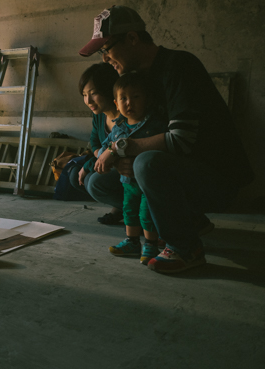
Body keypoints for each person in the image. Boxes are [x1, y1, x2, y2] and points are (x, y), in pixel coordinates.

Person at [79, 5, 254, 273]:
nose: (105, 59)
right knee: (98, 182)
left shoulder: (179, 66)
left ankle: (186, 247)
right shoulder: (137, 79)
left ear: (133, 39)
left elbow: (181, 140)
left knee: (146, 164)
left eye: (106, 49)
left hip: (214, 180)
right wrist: (115, 157)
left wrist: (123, 149)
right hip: (176, 171)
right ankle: (180, 220)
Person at [96, 72, 167, 264]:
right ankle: (132, 241)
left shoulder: (155, 125)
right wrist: (104, 157)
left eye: (136, 97)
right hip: (127, 182)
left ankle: (150, 244)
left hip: (147, 184)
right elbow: (104, 147)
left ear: (147, 99)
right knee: (129, 211)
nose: (129, 103)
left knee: (146, 214)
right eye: (123, 98)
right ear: (116, 103)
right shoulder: (118, 128)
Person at [71, 63, 124, 224]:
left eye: (93, 93)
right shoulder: (99, 115)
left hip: (127, 164)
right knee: (74, 176)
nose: (88, 101)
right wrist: (100, 156)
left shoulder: (127, 112)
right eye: (84, 95)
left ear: (108, 89)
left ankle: (139, 212)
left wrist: (99, 160)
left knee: (94, 182)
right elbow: (94, 142)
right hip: (109, 163)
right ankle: (122, 207)